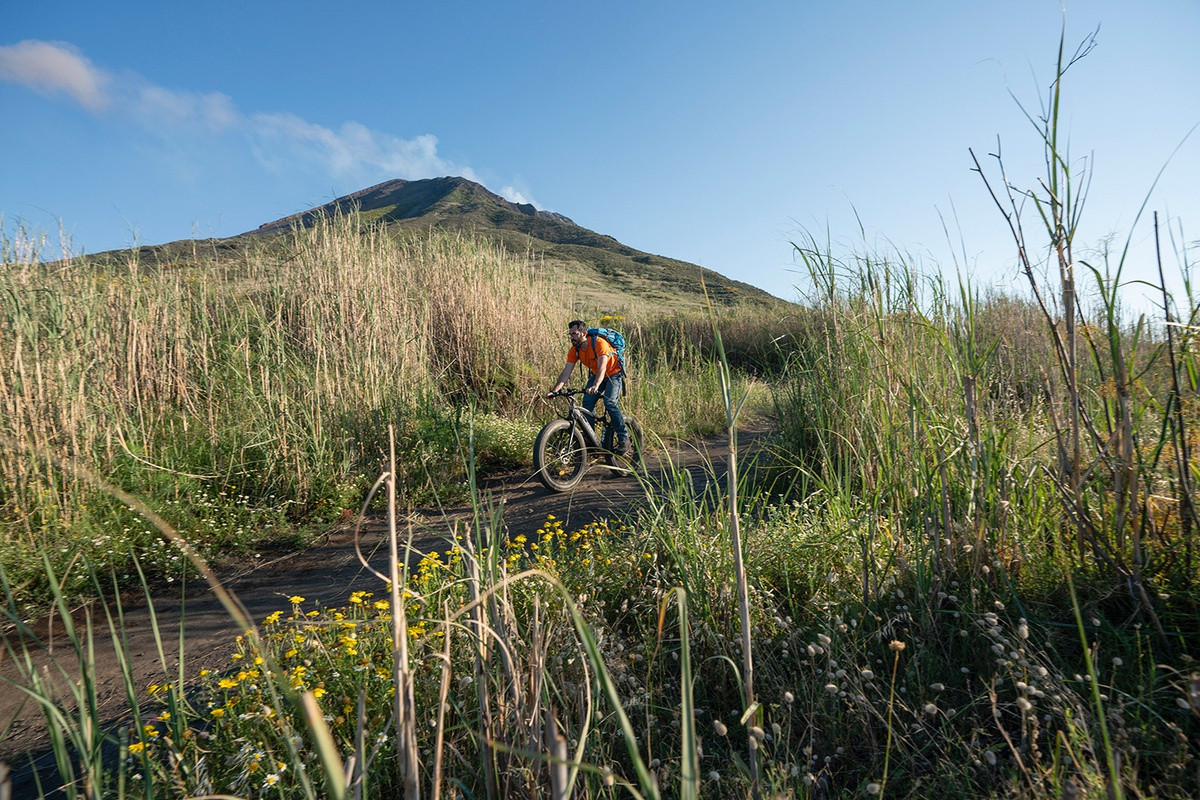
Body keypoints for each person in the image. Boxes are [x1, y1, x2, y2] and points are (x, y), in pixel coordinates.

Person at [549, 320, 631, 455]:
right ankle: (590, 439)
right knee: (587, 403)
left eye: (574, 334)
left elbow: (602, 367)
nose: (572, 337)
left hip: (614, 374)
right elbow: (566, 371)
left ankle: (623, 438)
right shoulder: (575, 350)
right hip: (597, 374)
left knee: (609, 402)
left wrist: (596, 386)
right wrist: (555, 390)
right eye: (570, 335)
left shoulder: (599, 343)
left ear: (584, 333)